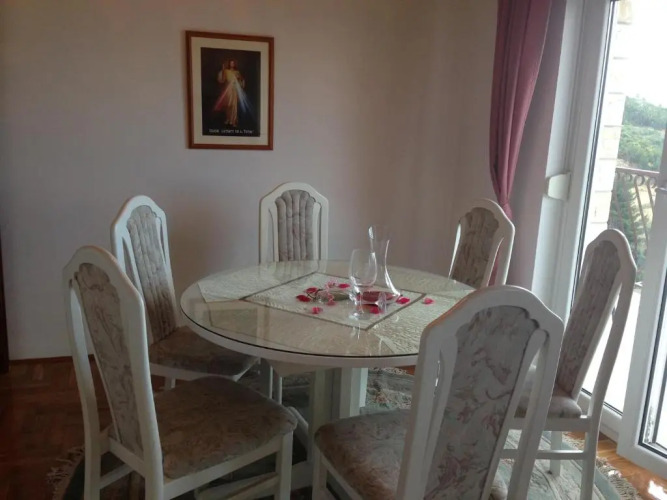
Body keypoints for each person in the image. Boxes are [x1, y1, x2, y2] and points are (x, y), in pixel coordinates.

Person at [212, 59, 245, 127]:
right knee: (228, 105)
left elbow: (241, 80)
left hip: (234, 90)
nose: (232, 64)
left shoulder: (237, 72)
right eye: (231, 63)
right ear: (229, 64)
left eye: (233, 63)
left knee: (234, 105)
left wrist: (239, 81)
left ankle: (233, 121)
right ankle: (228, 119)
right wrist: (223, 70)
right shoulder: (226, 71)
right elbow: (222, 80)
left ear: (234, 64)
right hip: (227, 90)